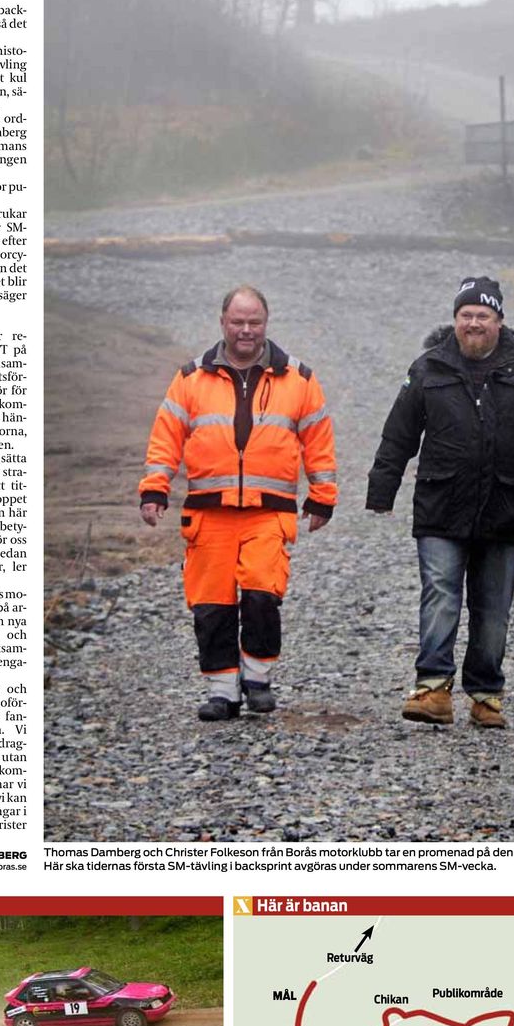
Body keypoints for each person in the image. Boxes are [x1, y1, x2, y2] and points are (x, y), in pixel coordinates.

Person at [366, 276, 514, 730]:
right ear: (455, 320)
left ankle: (486, 696)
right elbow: (398, 433)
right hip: (441, 503)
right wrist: (381, 490)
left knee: (493, 606)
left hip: (504, 503)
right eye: (466, 315)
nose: (473, 323)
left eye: (483, 316)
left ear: (500, 321)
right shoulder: (428, 368)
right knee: (440, 593)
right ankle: (432, 690)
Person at [140, 285, 337, 721]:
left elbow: (318, 441)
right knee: (212, 603)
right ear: (222, 322)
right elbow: (165, 438)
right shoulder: (191, 378)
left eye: (254, 322)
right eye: (238, 322)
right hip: (209, 513)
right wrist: (155, 488)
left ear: (266, 324)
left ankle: (258, 678)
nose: (246, 330)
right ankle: (222, 691)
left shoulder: (299, 379)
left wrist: (322, 496)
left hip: (270, 511)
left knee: (263, 594)